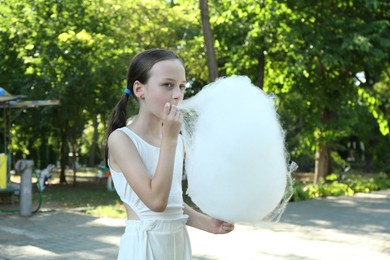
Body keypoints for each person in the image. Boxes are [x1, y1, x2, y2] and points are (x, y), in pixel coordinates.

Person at [104, 49, 234, 259]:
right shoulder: (122, 140)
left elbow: (173, 202)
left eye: (181, 86)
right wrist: (170, 139)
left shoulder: (176, 141)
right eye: (168, 85)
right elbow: (156, 202)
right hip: (144, 246)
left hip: (177, 243)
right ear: (140, 89)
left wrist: (209, 224)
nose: (177, 94)